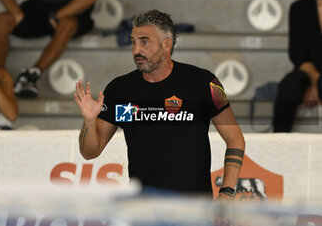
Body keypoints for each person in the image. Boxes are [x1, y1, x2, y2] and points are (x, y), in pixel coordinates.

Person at [74, 10, 245, 197]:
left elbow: (235, 138)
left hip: (194, 210)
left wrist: (227, 191)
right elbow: (90, 152)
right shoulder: (120, 90)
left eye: (144, 42)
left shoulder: (204, 83)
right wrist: (89, 121)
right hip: (145, 210)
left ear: (166, 44)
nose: (136, 50)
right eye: (133, 42)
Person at [0, 0, 97, 98]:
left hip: (70, 10)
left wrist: (57, 15)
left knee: (68, 24)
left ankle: (31, 75)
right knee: (0, 21)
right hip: (36, 9)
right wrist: (16, 13)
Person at [273, 0, 322, 132]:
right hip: (308, 71)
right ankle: (278, 141)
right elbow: (297, 54)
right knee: (289, 86)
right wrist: (316, 81)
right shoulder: (299, 8)